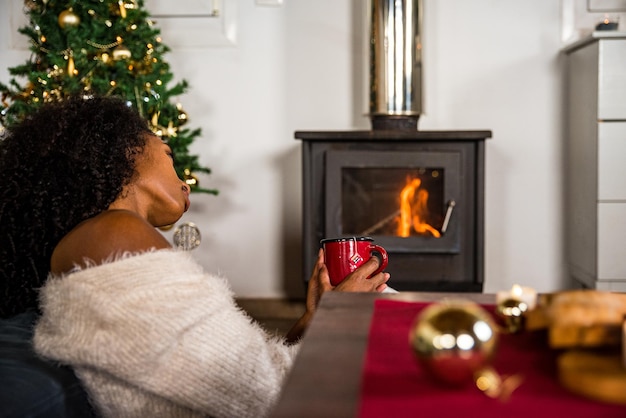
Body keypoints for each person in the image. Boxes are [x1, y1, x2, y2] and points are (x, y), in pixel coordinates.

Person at [0, 95, 390, 417]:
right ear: (126, 152)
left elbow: (235, 375)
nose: (185, 182)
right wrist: (343, 323)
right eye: (169, 155)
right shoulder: (114, 232)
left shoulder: (101, 244)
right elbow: (261, 396)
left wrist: (315, 321)